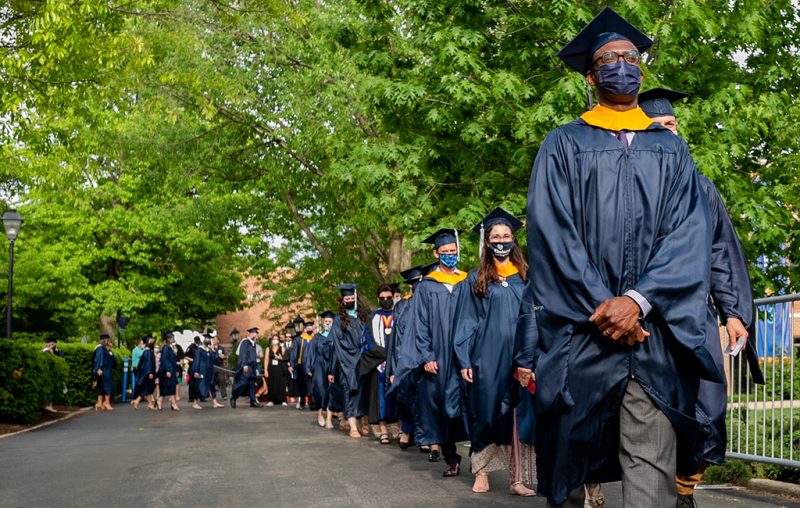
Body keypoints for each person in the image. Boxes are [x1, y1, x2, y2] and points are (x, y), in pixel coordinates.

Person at [515, 7, 722, 506]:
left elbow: (690, 235)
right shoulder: (563, 144)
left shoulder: (672, 151)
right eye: (608, 59)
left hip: (653, 338)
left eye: (629, 57)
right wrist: (608, 307)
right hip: (583, 333)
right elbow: (551, 235)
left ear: (642, 70)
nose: (620, 65)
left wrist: (638, 300)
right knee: (565, 468)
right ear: (591, 75)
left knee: (651, 469)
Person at [638, 87, 766, 508]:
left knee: (709, 407)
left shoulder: (701, 187)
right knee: (651, 408)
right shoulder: (625, 187)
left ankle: (684, 487)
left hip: (694, 312)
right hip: (644, 318)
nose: (665, 131)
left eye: (671, 125)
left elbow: (721, 253)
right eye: (655, 126)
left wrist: (733, 312)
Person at [452, 208, 536, 496]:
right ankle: (482, 471)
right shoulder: (477, 279)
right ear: (487, 242)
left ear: (514, 239)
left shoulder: (525, 276)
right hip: (487, 356)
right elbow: (465, 320)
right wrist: (463, 357)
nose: (501, 241)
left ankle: (517, 478)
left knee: (518, 414)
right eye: (495, 236)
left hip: (522, 353)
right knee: (486, 412)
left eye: (506, 236)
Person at [414, 228, 469, 477]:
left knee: (470, 403)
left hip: (465, 353)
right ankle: (451, 457)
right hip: (439, 355)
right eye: (445, 252)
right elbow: (420, 322)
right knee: (442, 405)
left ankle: (480, 459)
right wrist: (426, 355)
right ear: (436, 253)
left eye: (453, 251)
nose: (449, 255)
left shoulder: (467, 279)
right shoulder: (427, 286)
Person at [386, 263, 436, 450]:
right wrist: (394, 367)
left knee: (426, 398)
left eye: (420, 282)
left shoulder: (431, 302)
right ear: (410, 285)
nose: (418, 286)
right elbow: (396, 339)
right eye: (414, 283)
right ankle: (406, 431)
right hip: (407, 358)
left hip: (426, 357)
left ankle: (430, 440)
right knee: (406, 397)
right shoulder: (402, 306)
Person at [330, 283, 368, 438]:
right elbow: (340, 343)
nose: (351, 300)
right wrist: (356, 354)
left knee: (363, 392)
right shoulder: (338, 320)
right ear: (343, 300)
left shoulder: (362, 316)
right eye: (348, 298)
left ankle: (361, 423)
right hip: (348, 363)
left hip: (363, 361)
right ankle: (352, 425)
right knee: (349, 392)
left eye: (353, 297)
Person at [361, 284, 396, 444]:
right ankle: (383, 430)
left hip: (398, 363)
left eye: (389, 298)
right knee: (380, 397)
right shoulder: (372, 318)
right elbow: (367, 342)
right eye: (382, 299)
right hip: (379, 364)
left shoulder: (400, 315)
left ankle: (397, 427)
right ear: (378, 299)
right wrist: (384, 355)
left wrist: (395, 356)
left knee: (398, 396)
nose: (386, 301)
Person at [308, 311, 337, 427]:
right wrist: (309, 367)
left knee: (331, 390)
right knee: (320, 389)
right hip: (319, 365)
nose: (327, 323)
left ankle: (329, 417)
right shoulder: (317, 337)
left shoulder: (336, 336)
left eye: (330, 321)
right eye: (326, 321)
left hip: (332, 365)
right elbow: (311, 353)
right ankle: (320, 413)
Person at [231, 327, 261, 408]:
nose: (258, 335)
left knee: (252, 384)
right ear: (253, 333)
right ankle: (234, 397)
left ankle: (253, 401)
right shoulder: (245, 342)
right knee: (243, 384)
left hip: (253, 367)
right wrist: (244, 365)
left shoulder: (253, 343)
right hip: (246, 367)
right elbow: (242, 354)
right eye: (257, 333)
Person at [289, 320, 315, 410]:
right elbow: (294, 352)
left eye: (311, 327)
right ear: (304, 329)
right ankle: (302, 402)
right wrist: (292, 364)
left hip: (312, 365)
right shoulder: (299, 339)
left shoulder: (314, 339)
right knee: (303, 385)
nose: (309, 328)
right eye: (308, 327)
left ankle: (312, 404)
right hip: (302, 365)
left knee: (312, 385)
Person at [132, 335, 158, 410]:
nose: (153, 341)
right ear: (148, 342)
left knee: (148, 389)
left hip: (146, 373)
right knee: (147, 389)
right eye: (151, 340)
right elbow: (148, 363)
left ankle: (149, 404)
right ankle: (137, 401)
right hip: (147, 373)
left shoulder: (147, 351)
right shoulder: (147, 352)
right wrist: (150, 372)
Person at [92, 334, 115, 411]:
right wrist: (99, 368)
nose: (109, 342)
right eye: (108, 340)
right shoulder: (100, 349)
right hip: (104, 370)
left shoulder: (105, 349)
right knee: (108, 386)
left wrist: (110, 351)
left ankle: (99, 403)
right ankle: (106, 403)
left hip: (105, 369)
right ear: (105, 341)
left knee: (101, 387)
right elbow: (98, 359)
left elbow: (114, 361)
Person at [158, 332, 180, 411]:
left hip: (172, 370)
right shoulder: (166, 348)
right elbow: (165, 360)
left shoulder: (171, 347)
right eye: (172, 337)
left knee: (169, 387)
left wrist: (176, 370)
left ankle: (160, 401)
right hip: (167, 370)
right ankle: (173, 404)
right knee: (169, 387)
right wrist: (168, 370)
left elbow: (174, 360)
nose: (173, 339)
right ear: (168, 338)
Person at [265, 335, 289, 406]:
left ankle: (283, 400)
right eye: (274, 339)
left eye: (276, 339)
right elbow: (266, 360)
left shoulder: (282, 348)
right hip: (271, 368)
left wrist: (281, 358)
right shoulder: (268, 349)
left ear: (278, 340)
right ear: (271, 340)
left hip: (280, 368)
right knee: (271, 383)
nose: (275, 340)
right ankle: (271, 400)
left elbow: (285, 359)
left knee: (281, 384)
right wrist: (266, 370)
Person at [185, 336, 201, 404]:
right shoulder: (191, 347)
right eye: (197, 342)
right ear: (194, 341)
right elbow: (185, 355)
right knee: (191, 383)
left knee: (200, 383)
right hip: (192, 367)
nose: (198, 343)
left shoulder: (200, 346)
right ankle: (191, 397)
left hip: (199, 367)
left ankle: (201, 397)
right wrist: (191, 359)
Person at [212, 336, 228, 400]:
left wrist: (223, 356)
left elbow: (225, 356)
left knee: (222, 380)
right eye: (213, 339)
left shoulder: (221, 348)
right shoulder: (210, 348)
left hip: (220, 366)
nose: (214, 341)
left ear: (218, 341)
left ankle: (224, 395)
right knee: (212, 381)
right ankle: (213, 396)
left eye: (216, 339)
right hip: (212, 366)